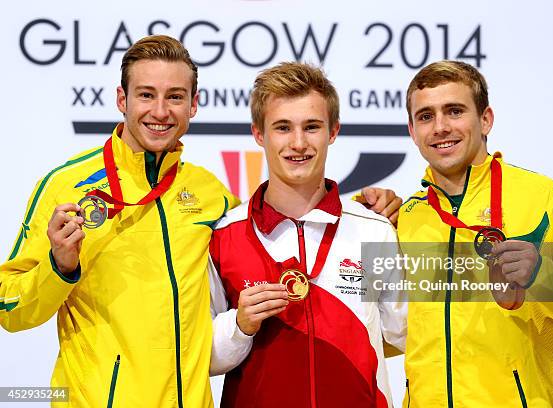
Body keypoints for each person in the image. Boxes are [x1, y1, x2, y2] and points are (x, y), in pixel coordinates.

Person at [0, 35, 402, 407]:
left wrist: (361, 216)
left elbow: (289, 213)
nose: (160, 111)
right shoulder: (66, 186)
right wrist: (59, 267)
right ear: (122, 98)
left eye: (175, 97)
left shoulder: (210, 196)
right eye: (146, 95)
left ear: (193, 104)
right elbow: (10, 309)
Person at [398, 60, 553, 407]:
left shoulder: (541, 197)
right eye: (426, 116)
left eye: (454, 111)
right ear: (412, 130)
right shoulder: (409, 215)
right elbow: (392, 329)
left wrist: (544, 276)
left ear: (486, 120)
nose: (440, 127)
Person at [207, 62, 407, 408]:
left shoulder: (374, 229)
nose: (298, 143)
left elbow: (408, 333)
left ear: (333, 131)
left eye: (311, 127)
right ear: (259, 134)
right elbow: (200, 356)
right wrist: (239, 325)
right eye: (283, 127)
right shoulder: (225, 235)